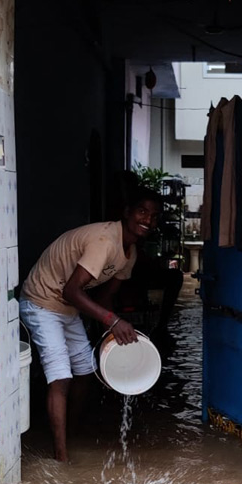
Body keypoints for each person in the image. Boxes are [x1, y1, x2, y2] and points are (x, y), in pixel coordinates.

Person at [20, 187, 161, 461]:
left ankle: (70, 435)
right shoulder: (105, 241)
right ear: (127, 212)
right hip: (42, 300)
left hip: (68, 308)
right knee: (61, 376)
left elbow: (106, 298)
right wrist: (113, 321)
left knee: (86, 371)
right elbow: (71, 290)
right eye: (142, 211)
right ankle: (61, 457)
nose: (148, 219)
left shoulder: (128, 253)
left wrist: (117, 329)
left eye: (154, 216)